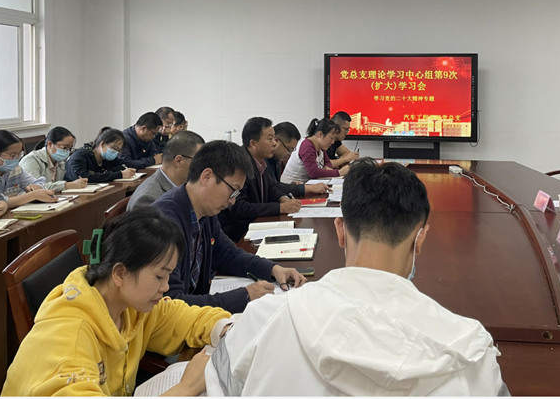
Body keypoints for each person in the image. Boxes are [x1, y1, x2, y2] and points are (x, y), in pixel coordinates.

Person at [210, 159, 505, 396]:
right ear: (420, 240)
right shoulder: (470, 354)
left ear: (340, 231)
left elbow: (215, 383)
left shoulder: (264, 319)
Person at [1, 208, 232, 396]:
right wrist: (185, 389)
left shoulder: (128, 304)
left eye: (168, 275)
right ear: (120, 273)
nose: (165, 287)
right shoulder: (69, 340)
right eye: (159, 276)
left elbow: (178, 317)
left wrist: (226, 329)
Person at [151, 141, 306, 313]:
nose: (232, 201)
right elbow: (169, 304)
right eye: (233, 191)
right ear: (207, 177)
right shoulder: (164, 222)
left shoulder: (205, 212)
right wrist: (244, 297)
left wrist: (272, 269)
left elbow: (227, 254)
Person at [218, 118, 304, 242]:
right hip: (238, 234)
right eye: (270, 139)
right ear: (253, 144)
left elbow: (272, 186)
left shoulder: (261, 161)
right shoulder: (239, 165)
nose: (274, 143)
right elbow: (240, 208)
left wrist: (283, 198)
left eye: (275, 139)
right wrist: (281, 208)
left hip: (256, 226)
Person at [127, 130, 205, 211]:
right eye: (198, 161)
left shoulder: (182, 186)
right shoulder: (149, 199)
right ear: (178, 161)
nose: (202, 167)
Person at [0, 130, 58, 208]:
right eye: (12, 155)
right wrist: (32, 195)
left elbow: (38, 183)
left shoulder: (14, 169)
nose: (17, 158)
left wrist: (36, 187)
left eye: (19, 153)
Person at [266, 122, 330, 199]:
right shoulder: (264, 162)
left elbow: (275, 187)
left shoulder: (276, 161)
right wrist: (308, 188)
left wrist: (291, 186)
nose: (289, 154)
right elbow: (273, 188)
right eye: (289, 149)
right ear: (276, 141)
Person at [280, 118, 350, 184]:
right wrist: (339, 172)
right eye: (331, 138)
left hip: (306, 185)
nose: (332, 142)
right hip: (291, 186)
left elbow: (327, 162)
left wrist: (326, 167)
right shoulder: (307, 146)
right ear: (320, 134)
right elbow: (313, 173)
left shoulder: (320, 146)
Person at [20, 127, 88, 192]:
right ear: (50, 144)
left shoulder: (60, 162)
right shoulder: (30, 160)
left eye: (69, 149)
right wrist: (66, 185)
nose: (67, 152)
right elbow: (35, 187)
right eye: (65, 147)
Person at [66, 127, 137, 183]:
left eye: (118, 150)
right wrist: (118, 174)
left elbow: (128, 164)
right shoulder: (81, 156)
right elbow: (83, 177)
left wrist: (108, 172)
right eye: (114, 148)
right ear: (102, 144)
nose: (115, 152)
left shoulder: (106, 159)